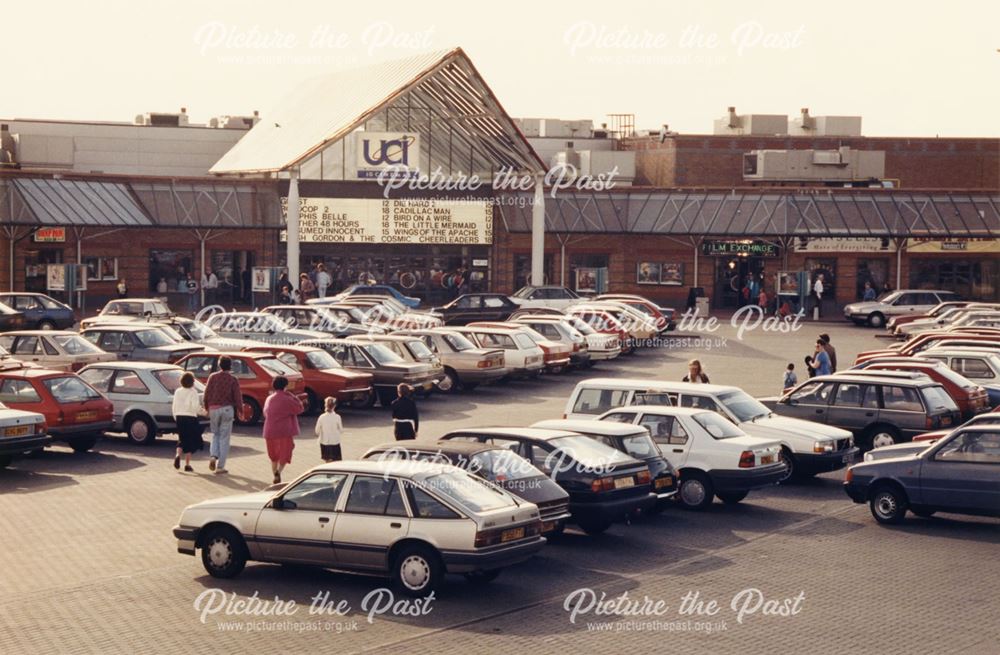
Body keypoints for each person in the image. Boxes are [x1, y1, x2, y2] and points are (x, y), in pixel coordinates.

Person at [203, 355, 241, 474]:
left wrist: (206, 407)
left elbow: (206, 393)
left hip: (214, 408)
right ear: (230, 365)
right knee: (225, 438)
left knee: (215, 434)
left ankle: (213, 455)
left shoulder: (212, 377)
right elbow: (238, 397)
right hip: (227, 409)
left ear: (219, 365)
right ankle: (221, 466)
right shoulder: (233, 379)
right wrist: (241, 411)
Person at [262, 376, 304, 484]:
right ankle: (279, 472)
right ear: (285, 386)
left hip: (269, 430)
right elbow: (300, 408)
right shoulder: (287, 398)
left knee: (273, 456)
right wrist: (293, 396)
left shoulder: (269, 399)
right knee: (285, 453)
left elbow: (265, 413)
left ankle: (274, 473)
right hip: (284, 431)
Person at [172, 372, 205, 472]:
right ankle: (187, 464)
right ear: (192, 382)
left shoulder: (177, 391)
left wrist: (175, 416)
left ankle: (177, 455)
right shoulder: (193, 392)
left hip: (179, 416)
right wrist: (204, 412)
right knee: (190, 440)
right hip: (190, 417)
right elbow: (195, 407)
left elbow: (174, 405)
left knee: (181, 438)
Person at [315, 397, 343, 462]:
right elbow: (341, 430)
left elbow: (317, 431)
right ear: (334, 406)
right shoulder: (337, 417)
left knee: (327, 460)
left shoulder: (321, 417)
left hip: (325, 442)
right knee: (336, 461)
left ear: (325, 405)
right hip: (335, 441)